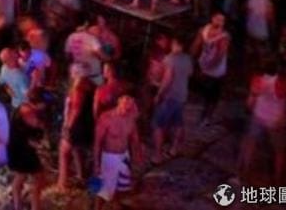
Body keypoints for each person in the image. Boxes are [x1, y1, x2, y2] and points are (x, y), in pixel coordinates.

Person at [239, 60, 286, 184]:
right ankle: (277, 178)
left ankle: (245, 171)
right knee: (279, 151)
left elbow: (249, 103)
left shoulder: (257, 80)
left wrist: (250, 105)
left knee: (251, 144)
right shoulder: (285, 83)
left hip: (258, 117)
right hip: (276, 121)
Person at [93, 95, 143, 210]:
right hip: (109, 157)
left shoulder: (131, 119)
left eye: (130, 104)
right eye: (125, 103)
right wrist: (96, 163)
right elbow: (97, 143)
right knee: (103, 189)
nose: (127, 106)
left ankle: (116, 205)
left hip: (124, 156)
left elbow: (135, 140)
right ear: (118, 102)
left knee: (122, 186)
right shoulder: (106, 118)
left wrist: (137, 157)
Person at [152, 35, 192, 163]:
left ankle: (157, 156)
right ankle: (174, 149)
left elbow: (167, 79)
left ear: (176, 44)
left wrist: (159, 93)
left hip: (170, 96)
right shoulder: (187, 58)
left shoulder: (170, 59)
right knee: (178, 123)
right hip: (182, 95)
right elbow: (189, 73)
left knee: (158, 125)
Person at [191, 12, 230, 125]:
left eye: (222, 20)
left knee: (213, 95)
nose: (220, 22)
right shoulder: (204, 30)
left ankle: (207, 117)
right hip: (203, 64)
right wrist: (191, 59)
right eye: (218, 19)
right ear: (212, 18)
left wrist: (208, 68)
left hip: (216, 71)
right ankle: (202, 112)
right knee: (204, 92)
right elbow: (196, 45)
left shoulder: (224, 37)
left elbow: (220, 55)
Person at [57, 74, 95, 190]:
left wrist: (67, 127)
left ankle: (62, 183)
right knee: (75, 149)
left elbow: (75, 110)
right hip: (85, 126)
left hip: (76, 126)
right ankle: (80, 176)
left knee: (63, 152)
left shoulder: (78, 91)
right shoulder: (90, 90)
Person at [7, 98, 46, 210]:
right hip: (22, 152)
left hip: (16, 151)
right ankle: (35, 206)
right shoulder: (28, 112)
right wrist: (39, 127)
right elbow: (34, 130)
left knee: (21, 177)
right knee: (38, 178)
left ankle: (18, 205)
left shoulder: (22, 109)